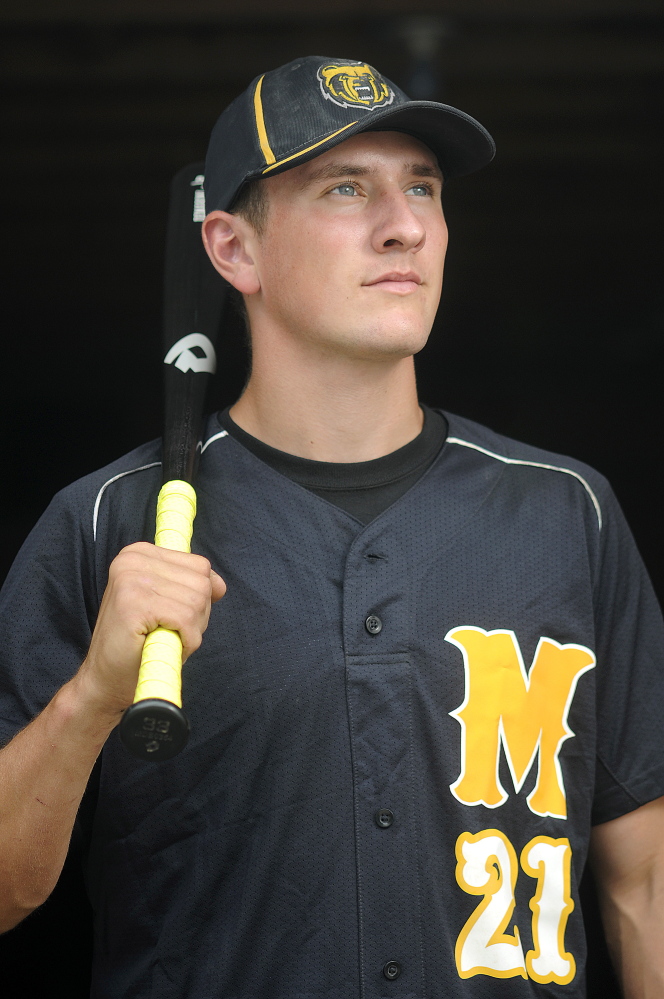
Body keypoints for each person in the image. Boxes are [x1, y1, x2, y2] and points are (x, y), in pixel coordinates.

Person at [0, 55, 663, 999]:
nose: (404, 226)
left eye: (422, 188)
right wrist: (90, 698)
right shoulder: (113, 523)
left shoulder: (567, 511)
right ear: (232, 251)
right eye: (346, 188)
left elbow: (643, 884)